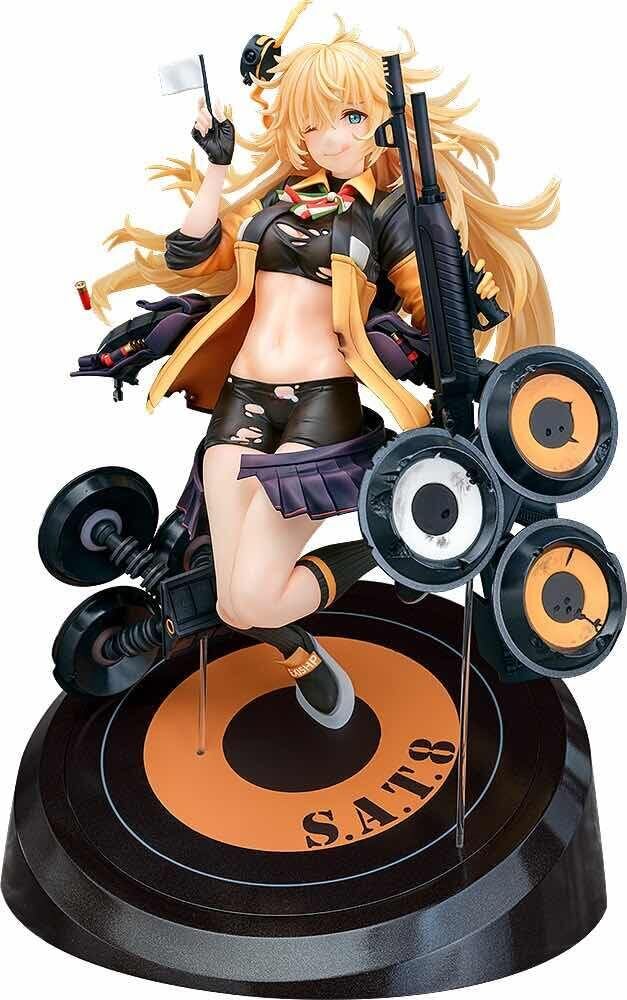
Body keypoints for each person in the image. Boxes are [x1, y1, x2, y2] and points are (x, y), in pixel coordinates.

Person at [87, 2, 559, 727]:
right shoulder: (278, 200)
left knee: (253, 593)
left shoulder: (391, 211)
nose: (330, 137)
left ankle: (389, 547)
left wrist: (462, 299)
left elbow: (432, 315)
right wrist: (216, 169)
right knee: (231, 598)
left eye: (348, 117)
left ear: (377, 119)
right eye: (312, 124)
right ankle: (299, 651)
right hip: (243, 399)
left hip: (318, 404)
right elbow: (193, 254)